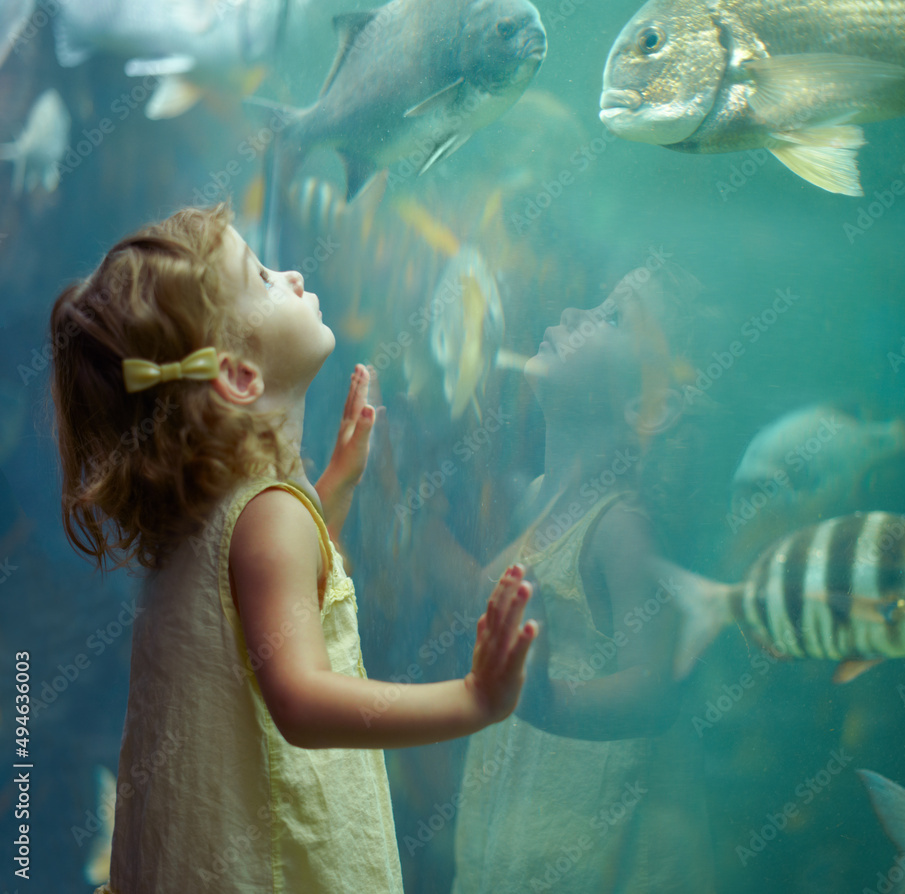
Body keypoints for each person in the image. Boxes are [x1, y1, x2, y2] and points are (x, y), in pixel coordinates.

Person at [48, 203, 536, 894]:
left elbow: (258, 620)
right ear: (241, 376)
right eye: (264, 277)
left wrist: (329, 495)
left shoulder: (214, 514)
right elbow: (299, 700)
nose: (294, 273)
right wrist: (473, 700)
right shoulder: (268, 517)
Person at [449, 265, 721, 893]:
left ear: (649, 406)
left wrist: (546, 701)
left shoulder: (620, 529)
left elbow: (656, 691)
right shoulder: (537, 501)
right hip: (516, 831)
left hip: (593, 852)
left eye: (613, 316)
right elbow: (478, 603)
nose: (575, 313)